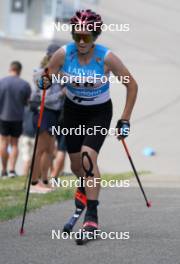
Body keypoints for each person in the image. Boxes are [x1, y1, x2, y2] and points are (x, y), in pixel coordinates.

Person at [40, 10, 138, 236]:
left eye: (88, 36)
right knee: (76, 166)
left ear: (96, 35)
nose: (82, 41)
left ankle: (92, 216)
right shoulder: (64, 54)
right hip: (73, 112)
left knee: (87, 158)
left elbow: (132, 85)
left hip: (98, 113)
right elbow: (48, 74)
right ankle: (83, 186)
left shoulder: (107, 58)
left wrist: (125, 118)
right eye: (77, 36)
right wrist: (45, 81)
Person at [29, 44, 65, 193]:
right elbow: (46, 99)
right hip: (44, 112)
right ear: (50, 56)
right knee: (40, 149)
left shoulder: (60, 73)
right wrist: (62, 93)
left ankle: (44, 180)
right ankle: (34, 182)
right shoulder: (43, 73)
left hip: (54, 114)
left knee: (50, 150)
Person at [0, 61, 31, 178]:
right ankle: (12, 170)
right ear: (19, 70)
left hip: (3, 116)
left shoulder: (1, 82)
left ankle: (3, 170)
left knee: (3, 143)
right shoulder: (24, 84)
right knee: (14, 144)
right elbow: (26, 102)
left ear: (10, 69)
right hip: (17, 117)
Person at [21, 105, 36, 176]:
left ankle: (25, 174)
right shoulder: (39, 110)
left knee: (26, 158)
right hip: (35, 135)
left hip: (25, 135)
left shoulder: (24, 108)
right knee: (36, 158)